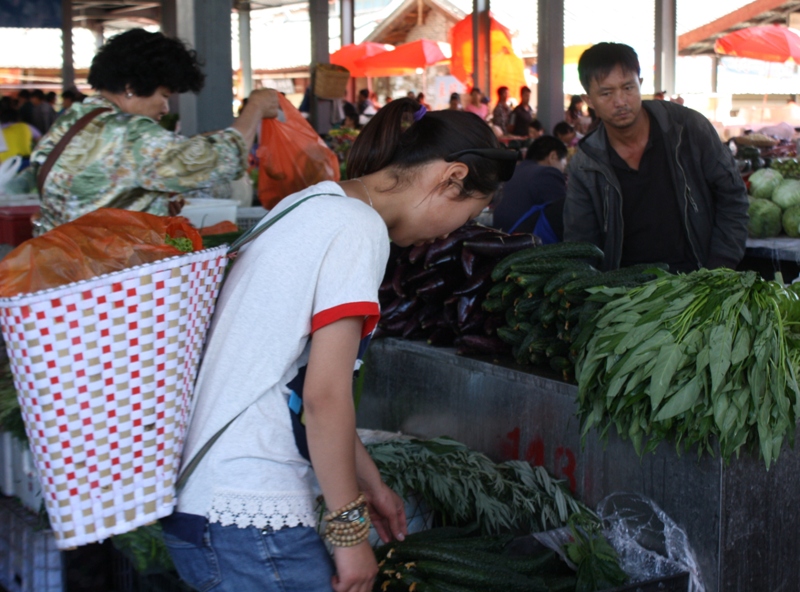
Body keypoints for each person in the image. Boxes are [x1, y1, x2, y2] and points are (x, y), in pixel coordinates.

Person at [163, 97, 517, 592]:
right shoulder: (358, 229)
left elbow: (292, 381)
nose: (459, 231)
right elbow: (324, 399)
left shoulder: (312, 204)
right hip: (251, 511)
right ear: (451, 178)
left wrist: (372, 484)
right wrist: (350, 536)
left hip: (205, 504)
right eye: (470, 213)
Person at [20, 28, 278, 236]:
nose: (165, 108)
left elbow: (95, 195)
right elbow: (220, 157)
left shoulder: (71, 122)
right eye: (164, 95)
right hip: (111, 280)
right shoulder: (129, 134)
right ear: (131, 87)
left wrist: (153, 202)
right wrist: (254, 108)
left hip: (62, 276)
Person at [564, 42, 748, 272]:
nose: (620, 101)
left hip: (698, 277)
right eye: (606, 93)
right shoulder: (585, 164)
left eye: (628, 88)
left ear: (640, 84)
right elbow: (581, 243)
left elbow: (732, 196)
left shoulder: (687, 128)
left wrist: (721, 265)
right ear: (589, 100)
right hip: (627, 295)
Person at [493, 135, 567, 243]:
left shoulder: (515, 170)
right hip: (524, 245)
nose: (564, 167)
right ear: (553, 156)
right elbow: (563, 215)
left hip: (502, 240)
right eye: (564, 161)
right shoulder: (547, 173)